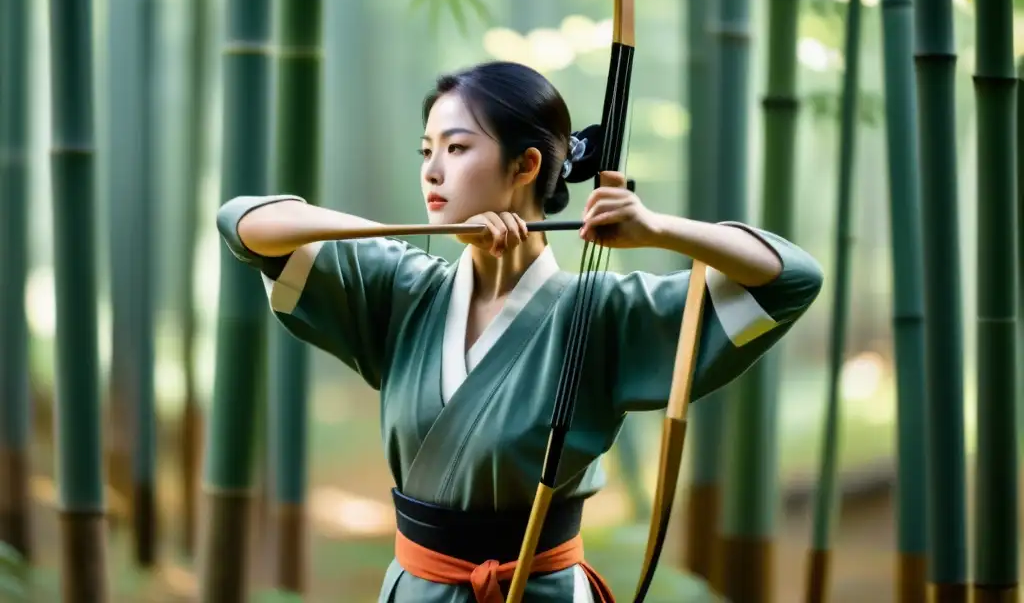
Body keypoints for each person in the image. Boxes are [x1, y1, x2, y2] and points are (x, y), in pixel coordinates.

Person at [216, 61, 824, 603]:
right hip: (417, 590)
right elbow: (245, 223)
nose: (432, 172)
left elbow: (791, 278)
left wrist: (658, 230)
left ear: (526, 164)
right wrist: (388, 231)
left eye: (455, 149)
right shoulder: (402, 292)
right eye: (424, 151)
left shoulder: (601, 313)